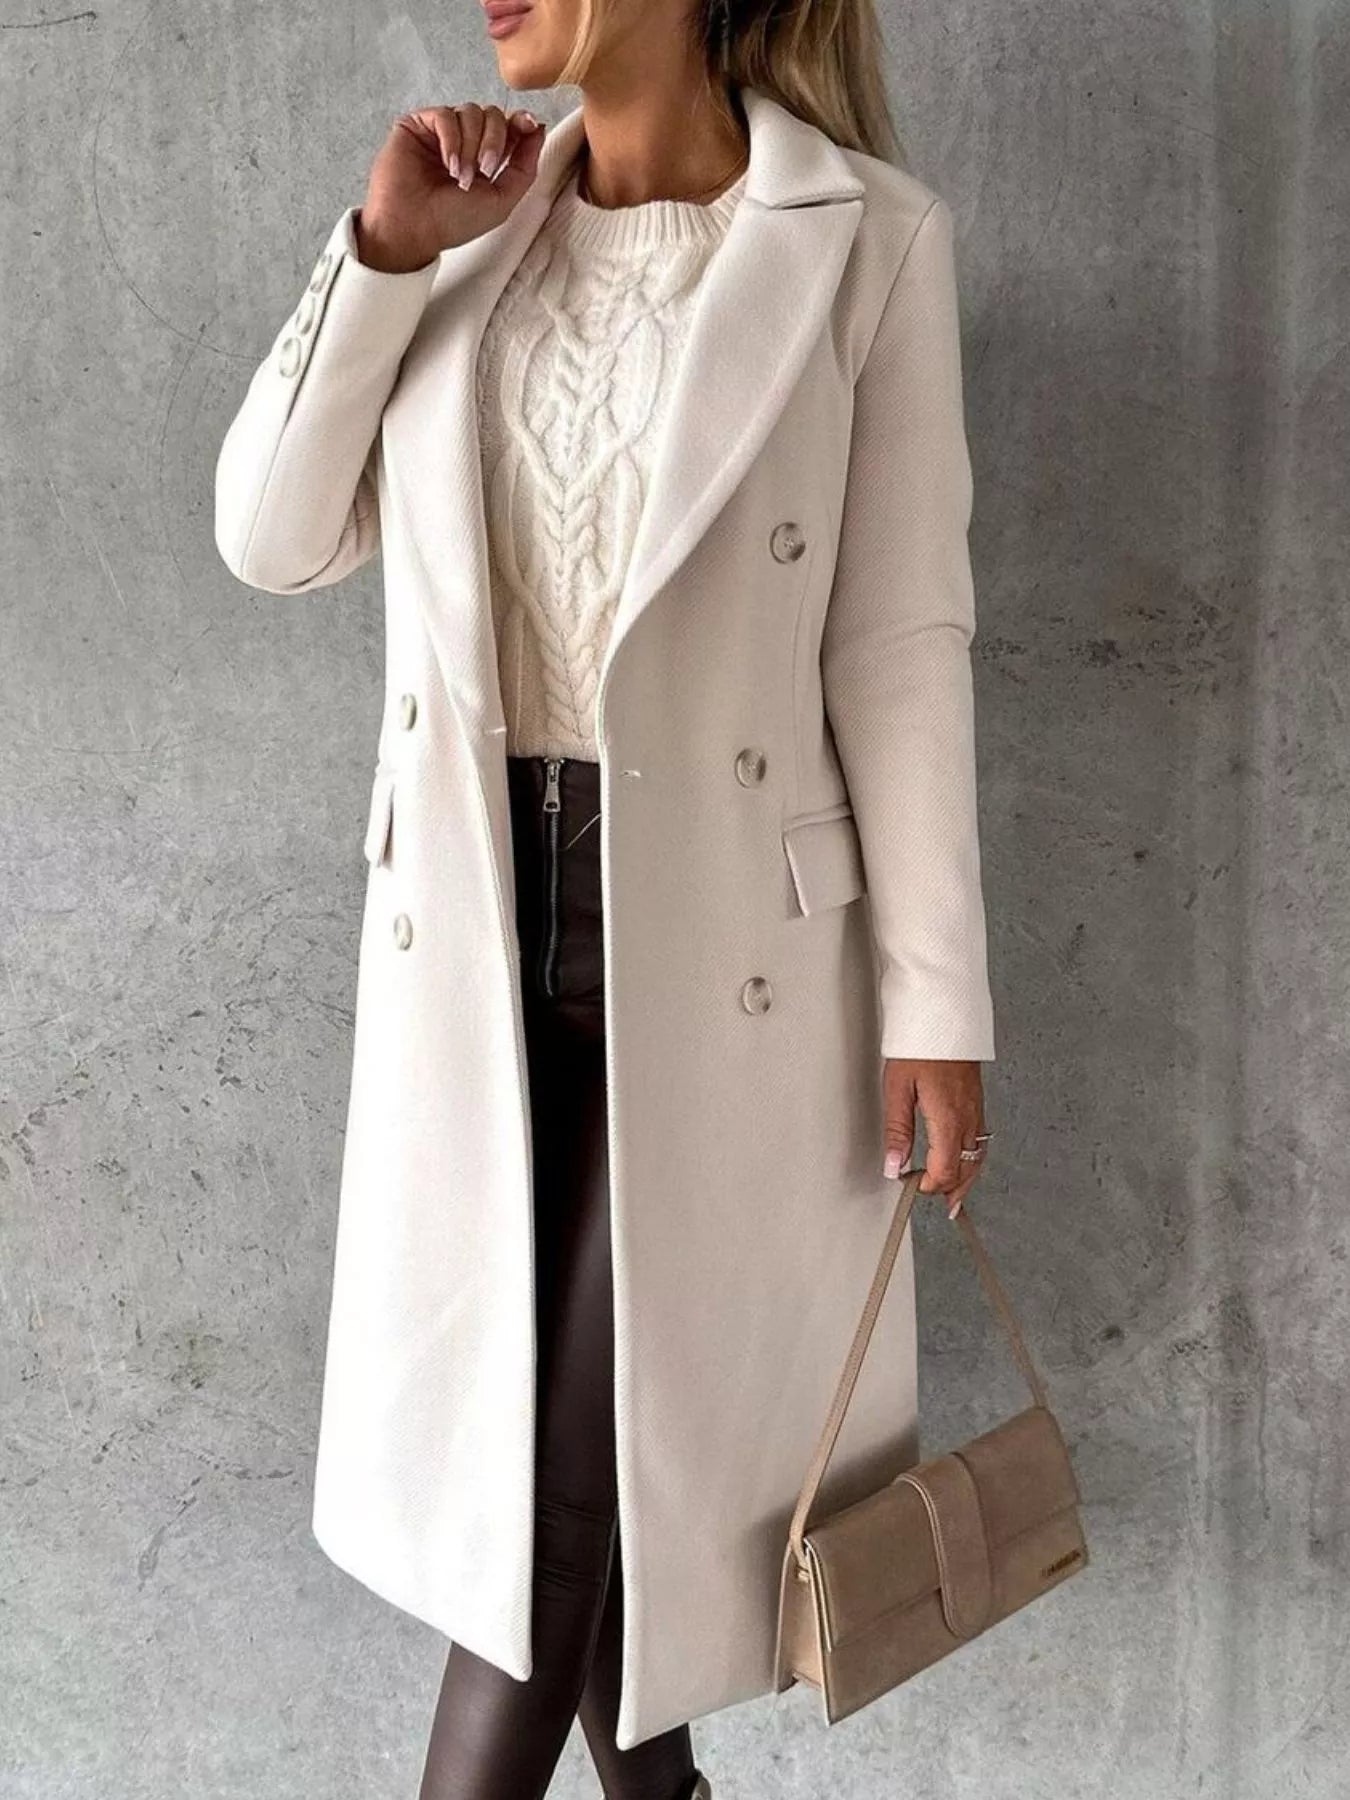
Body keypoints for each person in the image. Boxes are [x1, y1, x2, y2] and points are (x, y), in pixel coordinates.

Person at [215, 0, 995, 1793]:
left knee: (546, 1533)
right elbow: (270, 536)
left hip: (728, 971)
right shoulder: (465, 241)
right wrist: (382, 256)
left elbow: (898, 644)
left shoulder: (866, 239)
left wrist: (936, 1007)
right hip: (474, 957)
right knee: (582, 1510)